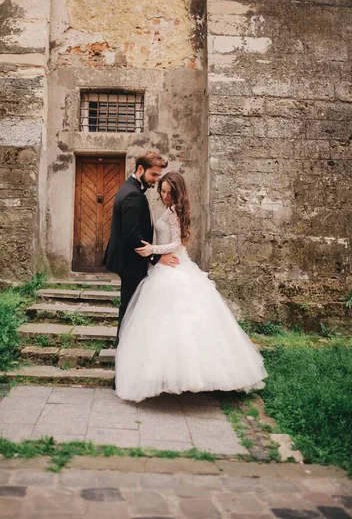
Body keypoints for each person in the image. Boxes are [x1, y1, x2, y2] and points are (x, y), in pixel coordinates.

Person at [115, 171, 268, 402]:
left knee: (184, 322)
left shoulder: (176, 210)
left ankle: (191, 376)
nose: (165, 196)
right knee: (163, 324)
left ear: (177, 192)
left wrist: (152, 251)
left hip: (174, 266)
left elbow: (177, 243)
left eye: (169, 192)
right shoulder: (170, 209)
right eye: (163, 191)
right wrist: (154, 257)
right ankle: (168, 374)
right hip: (165, 266)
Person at [104, 152, 180, 344]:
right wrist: (156, 258)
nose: (156, 180)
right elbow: (131, 235)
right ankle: (124, 351)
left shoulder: (130, 188)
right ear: (140, 169)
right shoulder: (132, 194)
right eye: (153, 175)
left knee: (130, 308)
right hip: (131, 263)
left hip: (132, 261)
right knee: (129, 309)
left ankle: (127, 348)